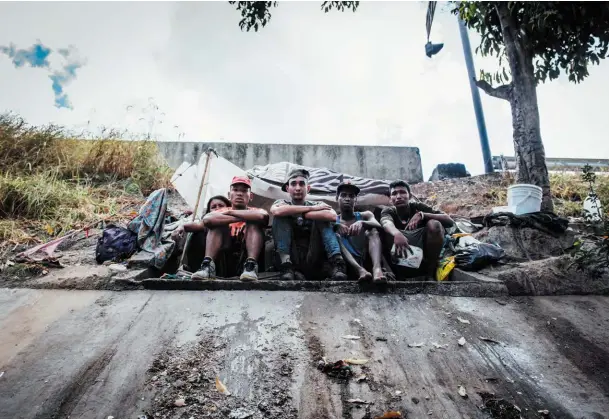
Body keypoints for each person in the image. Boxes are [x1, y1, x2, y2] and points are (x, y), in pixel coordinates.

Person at [271, 168, 348, 281]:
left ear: (308, 188)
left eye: (302, 184)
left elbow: (332, 216)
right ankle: (286, 266)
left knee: (322, 218)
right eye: (293, 184)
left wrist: (303, 213)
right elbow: (276, 211)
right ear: (288, 188)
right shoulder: (282, 203)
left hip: (314, 255)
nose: (298, 188)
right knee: (280, 217)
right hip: (293, 255)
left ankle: (337, 263)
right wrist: (312, 209)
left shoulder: (319, 204)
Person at [192, 176, 269, 281]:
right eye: (235, 190)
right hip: (223, 257)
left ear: (250, 196)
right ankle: (207, 266)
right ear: (229, 195)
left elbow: (262, 216)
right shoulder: (221, 210)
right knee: (216, 224)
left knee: (253, 222)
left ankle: (251, 266)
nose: (239, 193)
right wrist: (242, 216)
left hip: (246, 256)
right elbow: (207, 220)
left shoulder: (254, 210)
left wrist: (230, 212)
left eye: (244, 190)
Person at [380, 180, 454, 278]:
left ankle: (430, 274)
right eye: (394, 193)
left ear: (410, 196)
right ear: (390, 199)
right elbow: (386, 222)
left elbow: (449, 221)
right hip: (398, 257)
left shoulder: (417, 207)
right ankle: (394, 275)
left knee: (434, 224)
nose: (398, 196)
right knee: (379, 230)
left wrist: (422, 215)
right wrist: (397, 234)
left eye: (402, 192)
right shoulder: (388, 210)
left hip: (423, 255)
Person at [335, 180, 387, 283]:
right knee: (335, 235)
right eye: (343, 195)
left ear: (356, 200)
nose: (347, 199)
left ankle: (377, 270)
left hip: (365, 260)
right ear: (337, 198)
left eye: (351, 196)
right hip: (345, 265)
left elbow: (379, 226)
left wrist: (362, 223)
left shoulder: (365, 215)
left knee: (373, 232)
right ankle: (359, 270)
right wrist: (335, 226)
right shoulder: (333, 220)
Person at [171, 195, 231, 273]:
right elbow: (198, 225)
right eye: (213, 207)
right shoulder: (208, 224)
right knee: (197, 235)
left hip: (232, 261)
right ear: (209, 212)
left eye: (221, 206)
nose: (217, 208)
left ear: (229, 208)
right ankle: (202, 269)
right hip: (212, 262)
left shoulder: (235, 220)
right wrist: (181, 227)